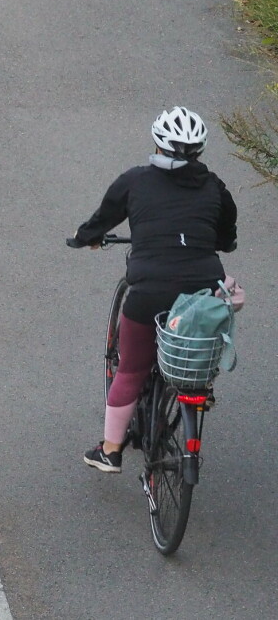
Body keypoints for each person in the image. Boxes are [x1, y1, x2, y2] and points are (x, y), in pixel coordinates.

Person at [68, 106, 237, 473]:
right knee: (195, 344)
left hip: (149, 291)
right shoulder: (215, 187)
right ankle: (195, 389)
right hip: (204, 292)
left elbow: (101, 219)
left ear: (158, 144)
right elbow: (227, 235)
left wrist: (86, 239)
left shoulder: (135, 181)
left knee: (130, 369)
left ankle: (110, 451)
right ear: (200, 150)